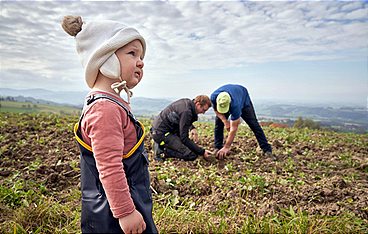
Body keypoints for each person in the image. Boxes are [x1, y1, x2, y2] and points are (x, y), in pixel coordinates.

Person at [62, 16, 157, 233]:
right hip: (111, 214)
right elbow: (109, 166)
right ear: (105, 59)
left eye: (141, 56)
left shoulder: (112, 102)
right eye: (132, 53)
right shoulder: (105, 108)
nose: (141, 61)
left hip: (126, 197)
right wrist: (125, 212)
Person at [210, 84, 273, 159]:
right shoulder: (214, 97)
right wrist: (225, 121)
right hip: (231, 97)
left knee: (254, 124)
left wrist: (227, 147)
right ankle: (217, 147)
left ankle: (266, 149)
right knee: (218, 124)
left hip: (243, 98)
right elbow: (216, 110)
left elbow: (234, 128)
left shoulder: (236, 105)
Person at [151, 95, 213, 161]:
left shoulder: (187, 103)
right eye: (203, 110)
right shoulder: (186, 112)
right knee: (191, 155)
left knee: (190, 147)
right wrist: (202, 152)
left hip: (164, 129)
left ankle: (163, 145)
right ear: (198, 104)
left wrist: (192, 128)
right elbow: (184, 138)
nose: (203, 113)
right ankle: (162, 151)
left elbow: (183, 120)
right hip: (161, 133)